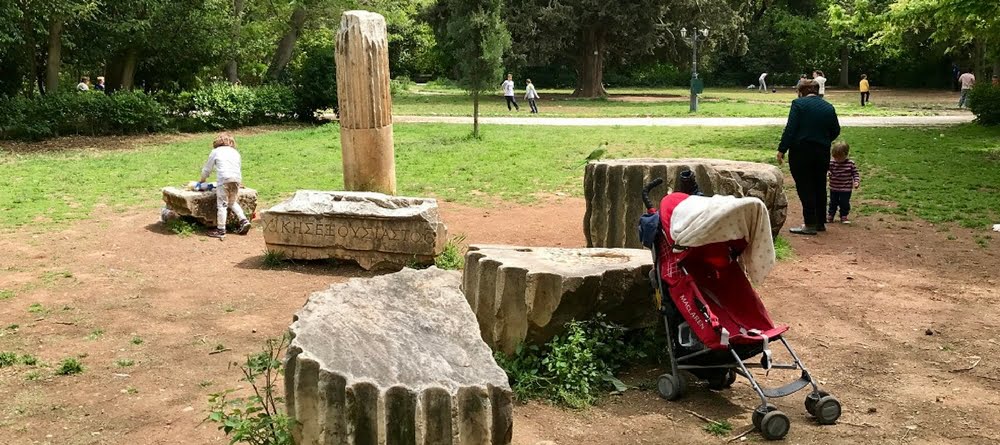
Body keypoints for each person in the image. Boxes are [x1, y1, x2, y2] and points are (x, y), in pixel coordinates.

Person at [776, 80, 841, 235]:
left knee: (805, 186)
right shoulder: (828, 107)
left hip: (801, 151)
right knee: (819, 185)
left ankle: (809, 223)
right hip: (822, 151)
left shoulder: (798, 104)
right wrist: (823, 140)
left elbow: (791, 129)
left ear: (802, 91)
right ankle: (820, 222)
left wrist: (782, 149)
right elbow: (836, 130)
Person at [198, 133, 252, 240]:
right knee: (232, 202)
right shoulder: (235, 152)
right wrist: (239, 183)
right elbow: (237, 167)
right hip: (236, 179)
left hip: (224, 179)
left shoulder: (216, 151)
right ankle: (244, 220)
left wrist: (201, 181)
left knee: (222, 204)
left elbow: (207, 169)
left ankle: (221, 230)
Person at [827, 141, 860, 224]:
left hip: (846, 189)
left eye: (840, 157)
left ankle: (844, 216)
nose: (837, 160)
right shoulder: (831, 163)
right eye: (836, 157)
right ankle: (831, 215)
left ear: (846, 155)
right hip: (834, 187)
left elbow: (855, 173)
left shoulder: (850, 164)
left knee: (844, 202)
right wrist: (828, 173)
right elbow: (827, 170)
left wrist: (856, 181)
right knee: (833, 202)